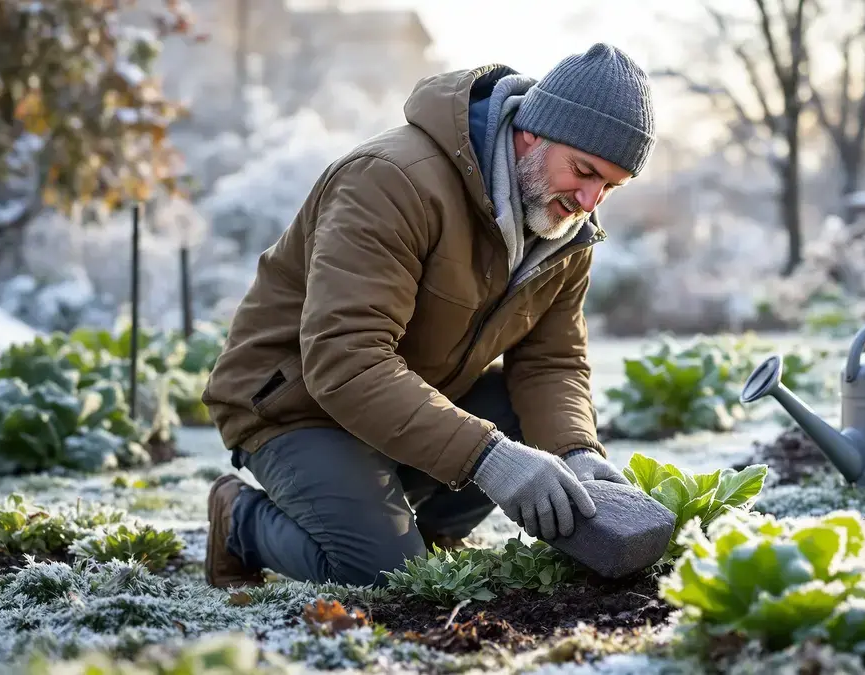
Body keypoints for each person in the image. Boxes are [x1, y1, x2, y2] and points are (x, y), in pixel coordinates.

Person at [199, 43, 656, 589]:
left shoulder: (565, 232)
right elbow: (345, 361)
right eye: (583, 171)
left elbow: (551, 363)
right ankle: (239, 520)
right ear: (533, 131)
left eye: (609, 186)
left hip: (408, 400)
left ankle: (431, 536)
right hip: (296, 406)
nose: (589, 200)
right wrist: (490, 458)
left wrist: (575, 452)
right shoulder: (390, 181)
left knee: (513, 426)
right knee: (386, 578)